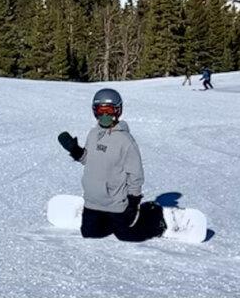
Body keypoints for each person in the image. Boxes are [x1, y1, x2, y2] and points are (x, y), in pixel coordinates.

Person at [57, 88, 165, 241]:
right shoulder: (93, 134)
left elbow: (136, 174)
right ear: (95, 112)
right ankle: (110, 221)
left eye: (109, 110)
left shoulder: (125, 141)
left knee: (126, 236)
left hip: (116, 202)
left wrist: (133, 202)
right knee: (89, 233)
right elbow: (89, 160)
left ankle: (152, 214)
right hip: (93, 201)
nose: (105, 115)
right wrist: (75, 150)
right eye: (101, 110)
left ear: (118, 111)